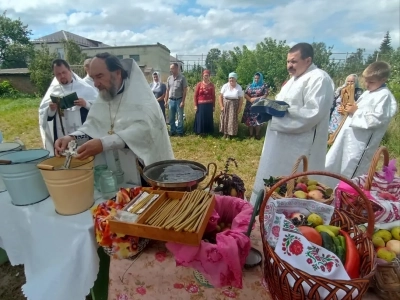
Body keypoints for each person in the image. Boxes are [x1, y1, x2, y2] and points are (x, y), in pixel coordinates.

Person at [54, 53, 174, 186]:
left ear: (117, 73)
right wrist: (72, 137)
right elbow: (93, 125)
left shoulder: (142, 97)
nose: (95, 84)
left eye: (99, 76)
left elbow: (144, 131)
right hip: (115, 168)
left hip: (144, 169)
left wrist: (103, 143)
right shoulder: (105, 94)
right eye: (93, 78)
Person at [250, 43, 334, 205]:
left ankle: (287, 213)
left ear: (308, 60)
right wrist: (269, 109)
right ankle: (265, 208)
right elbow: (284, 104)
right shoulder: (293, 80)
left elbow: (312, 113)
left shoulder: (319, 78)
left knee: (295, 183)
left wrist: (279, 112)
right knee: (274, 174)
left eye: (294, 62)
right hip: (280, 141)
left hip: (301, 145)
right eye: (288, 61)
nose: (289, 66)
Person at [325, 61, 397, 187]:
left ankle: (346, 198)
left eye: (371, 82)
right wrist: (349, 110)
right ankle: (330, 192)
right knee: (334, 163)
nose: (367, 84)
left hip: (360, 144)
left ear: (383, 79)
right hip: (348, 137)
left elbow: (377, 119)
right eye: (366, 81)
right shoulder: (368, 93)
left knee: (351, 171)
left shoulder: (385, 96)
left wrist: (356, 112)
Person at [38, 58, 98, 156]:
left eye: (64, 72)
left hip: (82, 132)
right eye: (58, 74)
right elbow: (43, 115)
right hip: (61, 133)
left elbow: (99, 109)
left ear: (70, 70)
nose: (62, 76)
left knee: (83, 157)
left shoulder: (85, 88)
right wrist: (51, 110)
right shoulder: (53, 90)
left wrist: (85, 104)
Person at [241, 72, 269, 139]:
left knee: (258, 120)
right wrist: (250, 99)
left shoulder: (264, 85)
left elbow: (265, 95)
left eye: (258, 78)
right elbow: (245, 94)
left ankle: (257, 134)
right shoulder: (250, 85)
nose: (256, 79)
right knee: (250, 120)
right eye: (255, 78)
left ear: (261, 78)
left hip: (259, 105)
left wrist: (256, 99)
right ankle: (251, 134)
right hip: (250, 106)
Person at [219, 72, 244, 140]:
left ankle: (230, 135)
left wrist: (239, 108)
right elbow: (220, 97)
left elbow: (241, 99)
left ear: (236, 79)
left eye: (232, 78)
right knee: (224, 119)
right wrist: (221, 106)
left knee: (232, 120)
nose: (231, 79)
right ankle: (224, 134)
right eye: (230, 78)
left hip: (234, 106)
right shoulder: (225, 86)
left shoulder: (239, 87)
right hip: (225, 105)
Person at [165, 63, 188, 137]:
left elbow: (185, 90)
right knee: (171, 117)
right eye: (170, 68)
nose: (171, 70)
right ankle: (172, 130)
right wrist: (166, 101)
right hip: (171, 100)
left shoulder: (182, 78)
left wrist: (183, 101)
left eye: (172, 68)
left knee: (180, 117)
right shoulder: (169, 78)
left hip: (179, 100)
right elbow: (167, 90)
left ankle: (180, 131)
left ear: (177, 68)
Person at [193, 69, 216, 135]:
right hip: (200, 104)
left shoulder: (212, 85)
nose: (206, 77)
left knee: (208, 118)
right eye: (204, 75)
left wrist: (214, 106)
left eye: (207, 75)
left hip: (209, 104)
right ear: (202, 76)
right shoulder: (199, 84)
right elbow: (195, 95)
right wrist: (195, 105)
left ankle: (207, 132)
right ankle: (200, 132)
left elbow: (213, 96)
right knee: (200, 118)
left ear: (209, 76)